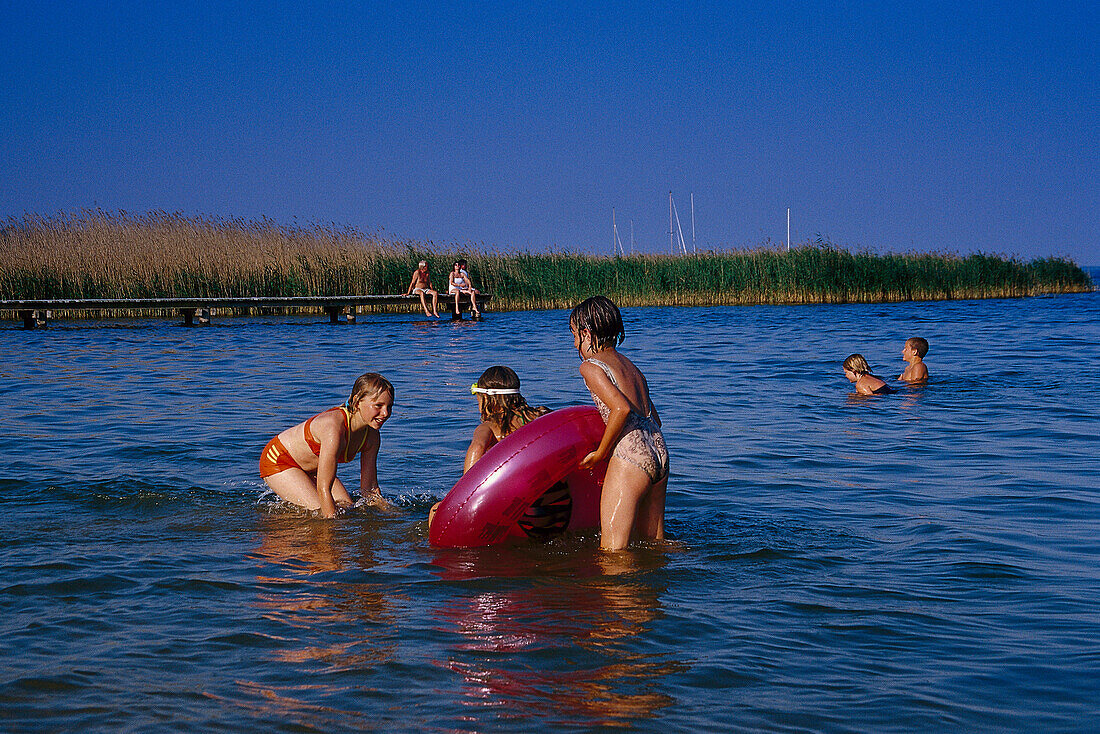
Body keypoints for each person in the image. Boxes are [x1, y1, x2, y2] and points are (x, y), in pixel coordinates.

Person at [570, 296, 669, 551]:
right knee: (655, 544)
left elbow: (621, 408)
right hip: (659, 451)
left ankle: (619, 593)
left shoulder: (590, 367)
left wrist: (601, 453)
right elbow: (654, 418)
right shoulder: (632, 367)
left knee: (613, 551)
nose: (574, 345)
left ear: (586, 333)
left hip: (631, 456)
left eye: (574, 335)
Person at [427, 366, 551, 529]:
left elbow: (477, 447)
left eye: (476, 396)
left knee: (435, 510)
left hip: (514, 507)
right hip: (548, 502)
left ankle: (434, 553)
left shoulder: (491, 427)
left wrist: (463, 499)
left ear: (486, 398)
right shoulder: (542, 415)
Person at [259, 373, 394, 517]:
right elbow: (324, 487)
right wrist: (330, 531)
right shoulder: (333, 428)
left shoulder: (372, 436)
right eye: (378, 405)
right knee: (320, 510)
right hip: (279, 459)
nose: (385, 413)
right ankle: (285, 525)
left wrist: (394, 514)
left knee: (347, 507)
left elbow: (370, 490)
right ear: (357, 401)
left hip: (311, 467)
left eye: (389, 406)